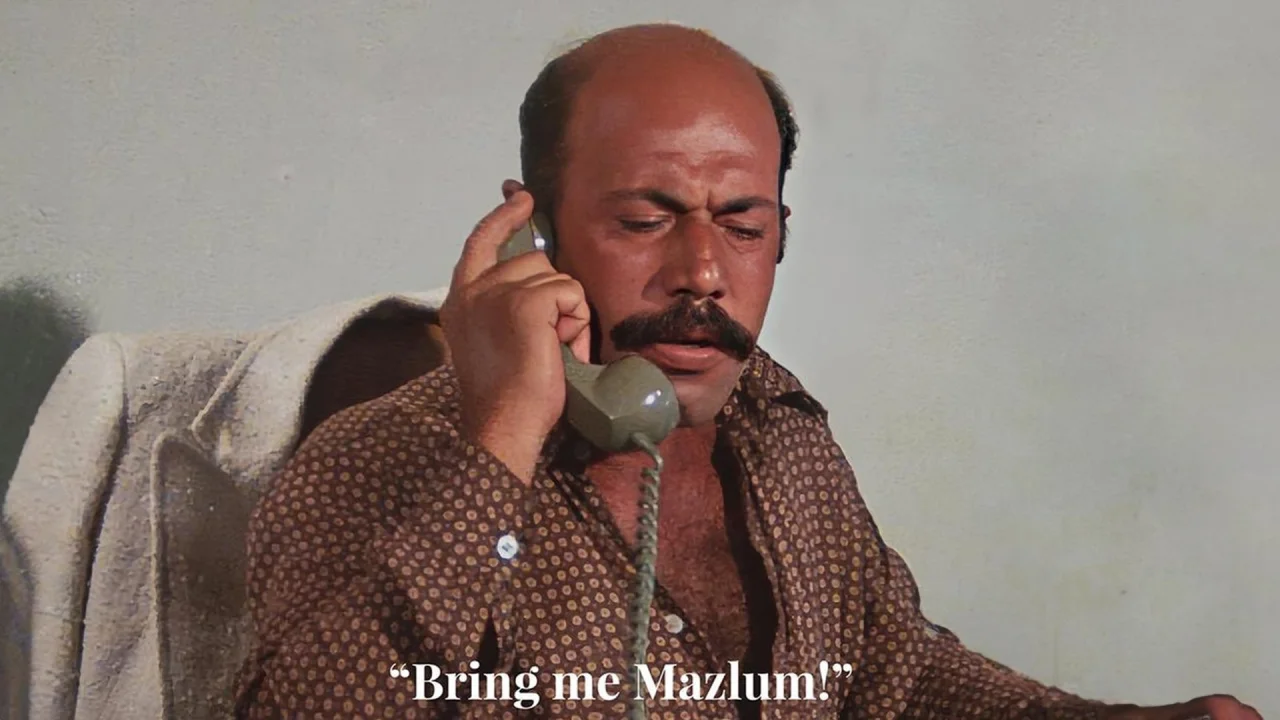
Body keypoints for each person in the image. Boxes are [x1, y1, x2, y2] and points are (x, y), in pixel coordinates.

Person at [234, 23, 1261, 719]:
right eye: (645, 219)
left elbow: (890, 682)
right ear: (529, 235)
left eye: (742, 224)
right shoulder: (378, 461)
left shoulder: (784, 432)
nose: (701, 272)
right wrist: (502, 440)